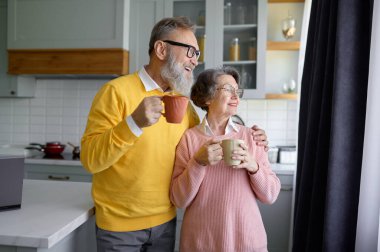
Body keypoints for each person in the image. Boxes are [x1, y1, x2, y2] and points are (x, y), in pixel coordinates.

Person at [80, 17, 268, 252]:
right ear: (161, 49)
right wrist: (132, 124)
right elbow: (90, 160)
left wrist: (256, 139)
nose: (195, 60)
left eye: (197, 54)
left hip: (165, 225)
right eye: (190, 51)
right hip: (119, 229)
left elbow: (208, 139)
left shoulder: (182, 103)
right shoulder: (115, 92)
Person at [170, 67, 281, 252]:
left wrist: (254, 166)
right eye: (229, 90)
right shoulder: (189, 138)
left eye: (237, 91)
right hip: (200, 243)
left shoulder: (252, 137)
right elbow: (179, 200)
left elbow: (270, 195)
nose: (236, 96)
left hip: (247, 242)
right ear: (207, 97)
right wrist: (198, 163)